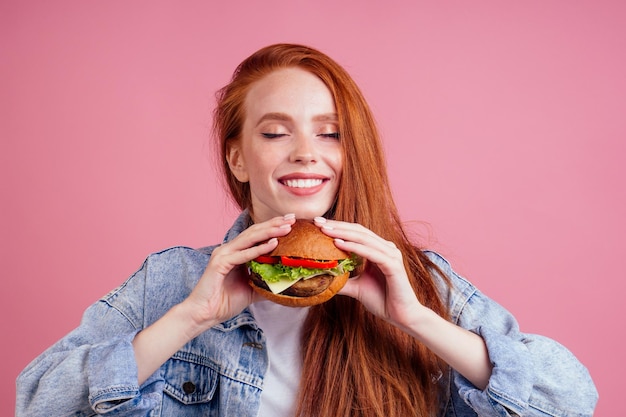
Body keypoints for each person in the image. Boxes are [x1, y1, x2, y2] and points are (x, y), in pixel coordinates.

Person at [16, 43, 598, 417]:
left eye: (329, 132)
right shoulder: (170, 282)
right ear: (238, 159)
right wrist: (189, 317)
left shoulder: (415, 280)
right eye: (274, 133)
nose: (304, 154)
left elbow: (572, 401)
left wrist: (415, 318)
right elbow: (37, 402)